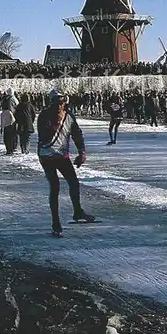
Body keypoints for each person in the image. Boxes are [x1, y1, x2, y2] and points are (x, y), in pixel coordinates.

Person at [37, 89, 95, 237]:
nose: (59, 105)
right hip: (47, 156)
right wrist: (55, 122)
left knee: (74, 183)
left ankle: (77, 212)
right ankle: (56, 223)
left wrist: (82, 152)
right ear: (51, 103)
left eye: (62, 102)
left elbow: (77, 134)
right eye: (56, 102)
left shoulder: (69, 117)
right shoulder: (44, 116)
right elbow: (44, 136)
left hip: (62, 156)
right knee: (54, 186)